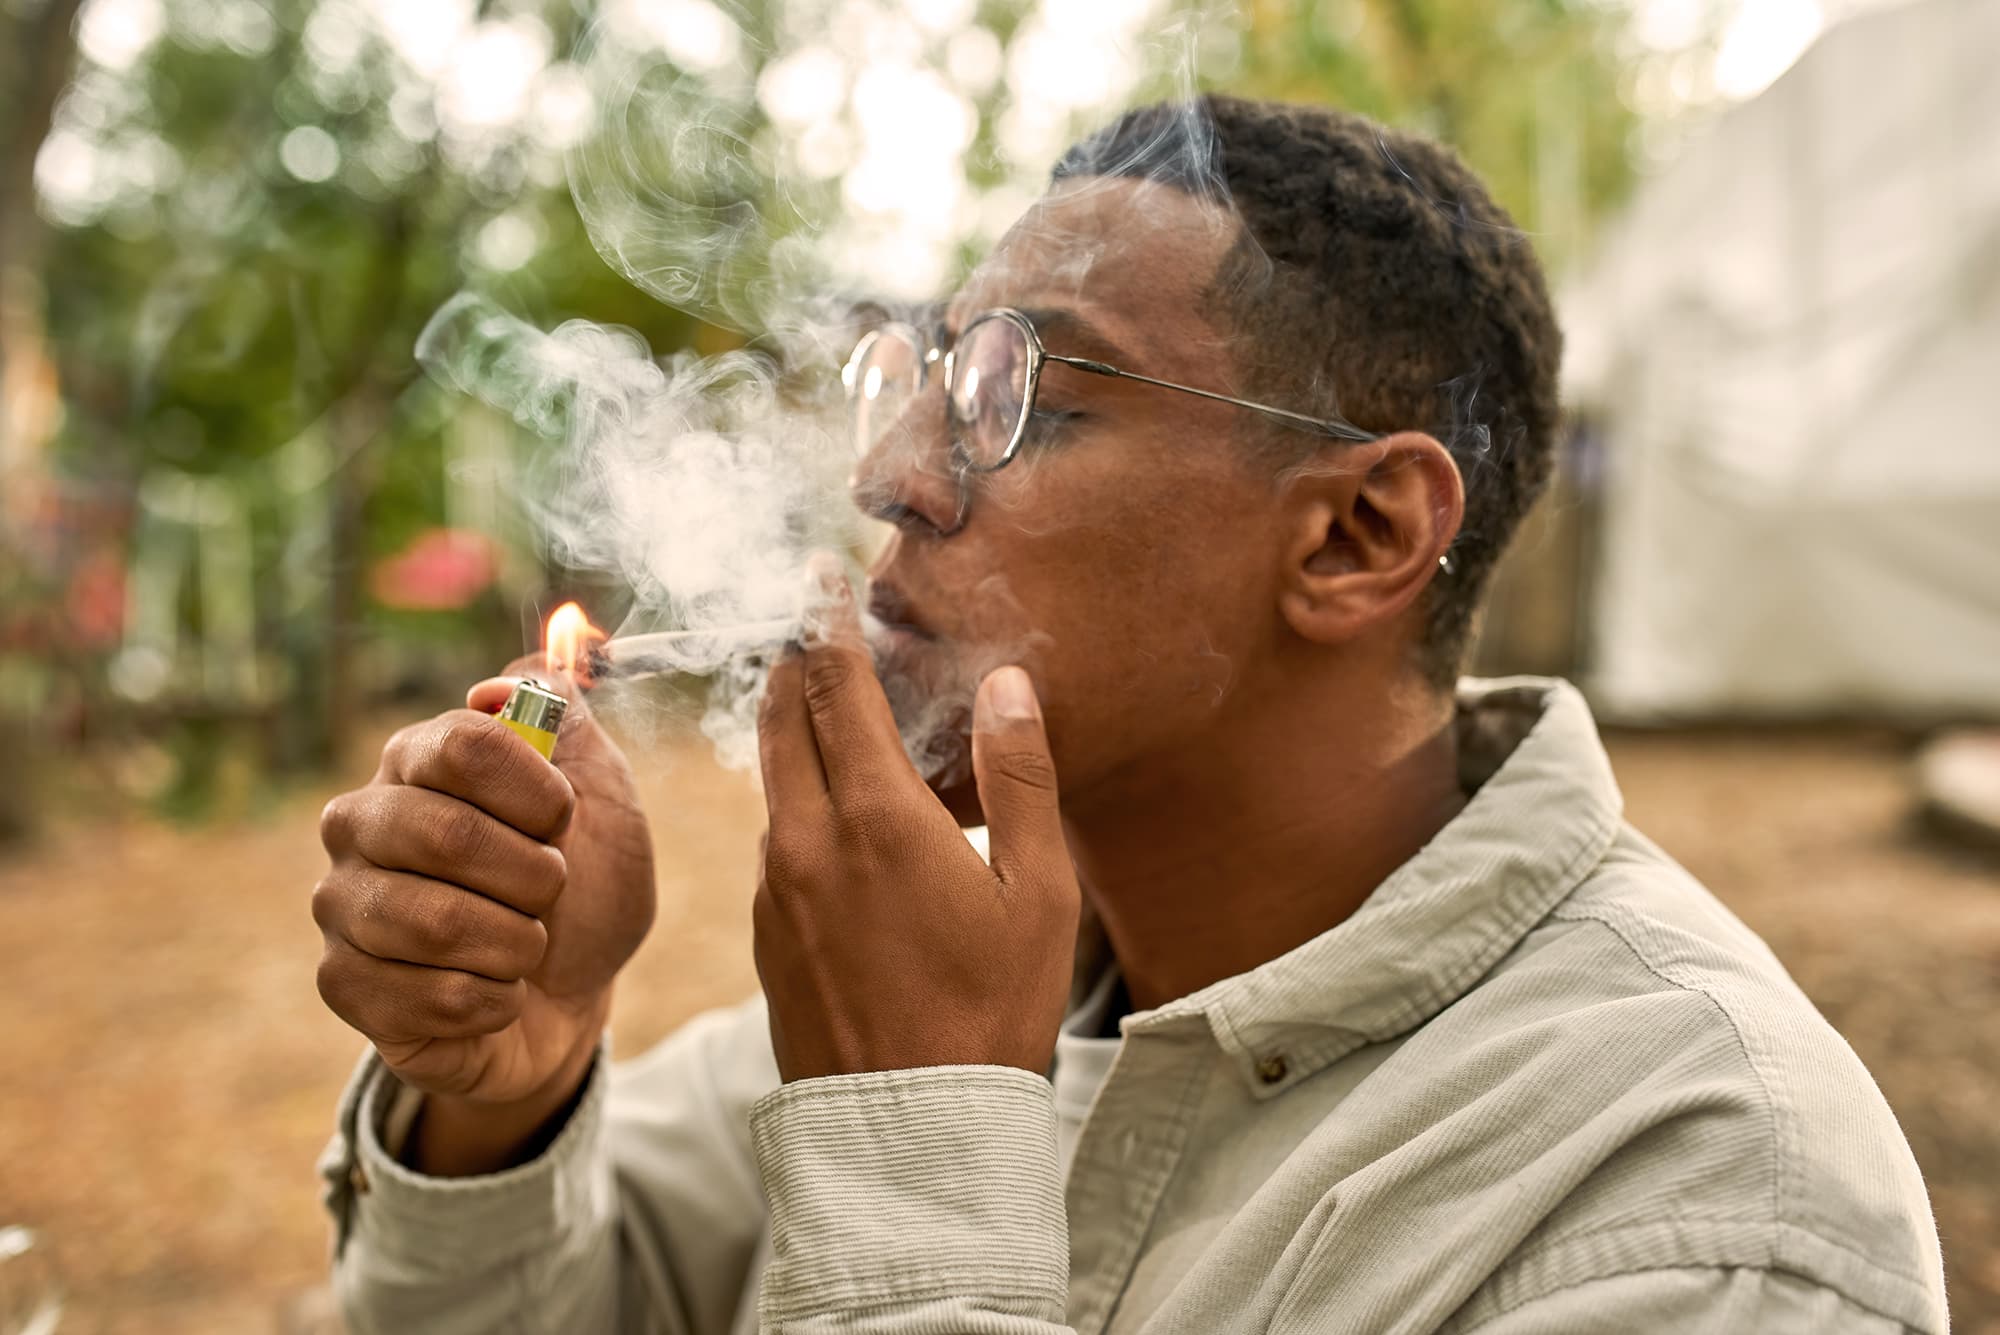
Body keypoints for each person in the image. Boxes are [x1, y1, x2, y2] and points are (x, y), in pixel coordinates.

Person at [311, 95, 1946, 1334]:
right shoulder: (972, 984)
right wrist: (506, 1097)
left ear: (1356, 535)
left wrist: (917, 1141)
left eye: (1029, 400)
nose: (890, 480)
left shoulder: (1696, 1197)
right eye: (929, 384)